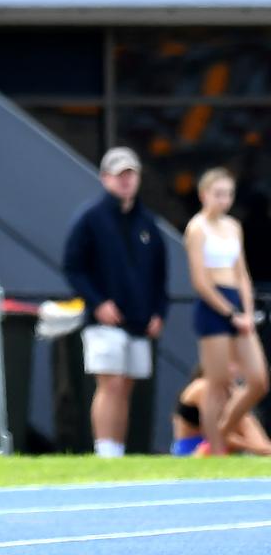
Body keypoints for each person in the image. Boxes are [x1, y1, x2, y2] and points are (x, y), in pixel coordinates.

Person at [63, 146, 168, 459]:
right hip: (104, 322)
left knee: (126, 386)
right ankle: (105, 451)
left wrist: (159, 312)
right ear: (105, 177)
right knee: (109, 384)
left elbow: (161, 275)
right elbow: (73, 267)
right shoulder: (90, 218)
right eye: (119, 174)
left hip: (139, 321)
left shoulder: (148, 223)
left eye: (130, 174)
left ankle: (117, 449)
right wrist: (97, 303)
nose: (125, 181)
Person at [184, 167, 269, 455]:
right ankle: (217, 450)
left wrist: (246, 311)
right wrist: (230, 312)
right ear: (204, 195)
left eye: (228, 194)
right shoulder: (197, 228)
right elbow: (201, 280)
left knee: (258, 379)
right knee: (217, 383)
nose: (224, 200)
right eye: (218, 194)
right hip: (213, 306)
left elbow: (241, 273)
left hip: (236, 302)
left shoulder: (233, 226)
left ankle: (221, 431)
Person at [172, 365, 271, 456]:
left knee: (241, 413)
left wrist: (263, 447)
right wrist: (254, 447)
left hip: (219, 446)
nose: (235, 370)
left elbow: (249, 428)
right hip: (193, 450)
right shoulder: (202, 386)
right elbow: (213, 434)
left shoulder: (233, 392)